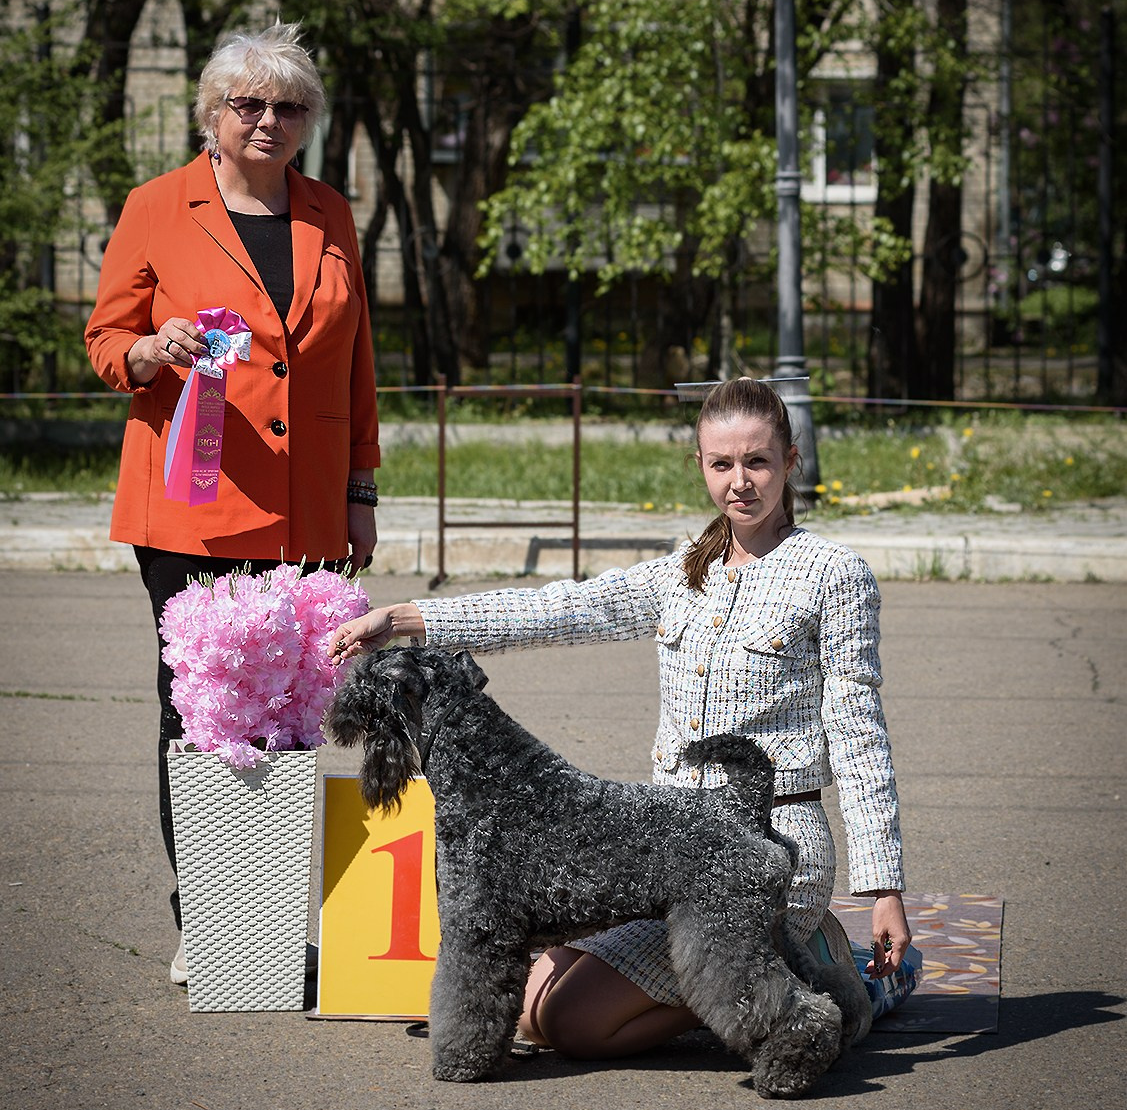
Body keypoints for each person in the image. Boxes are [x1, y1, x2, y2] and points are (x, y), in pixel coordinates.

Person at [328, 377, 910, 1061]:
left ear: (790, 460)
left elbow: (859, 735)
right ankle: (772, 968)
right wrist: (405, 619)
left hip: (772, 835)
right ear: (700, 466)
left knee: (572, 1022)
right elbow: (556, 610)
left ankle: (795, 971)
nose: (740, 483)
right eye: (721, 464)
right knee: (532, 1002)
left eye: (757, 462)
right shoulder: (682, 573)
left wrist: (883, 888)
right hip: (657, 847)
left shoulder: (833, 574)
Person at [85, 21, 380, 984]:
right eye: (247, 104)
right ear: (211, 113)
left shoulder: (330, 210)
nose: (267, 121)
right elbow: (104, 341)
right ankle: (207, 920)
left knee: (289, 712)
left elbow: (355, 361)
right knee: (206, 712)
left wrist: (360, 489)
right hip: (194, 503)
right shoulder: (155, 206)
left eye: (288, 106)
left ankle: (269, 921)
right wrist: (151, 348)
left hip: (306, 507)